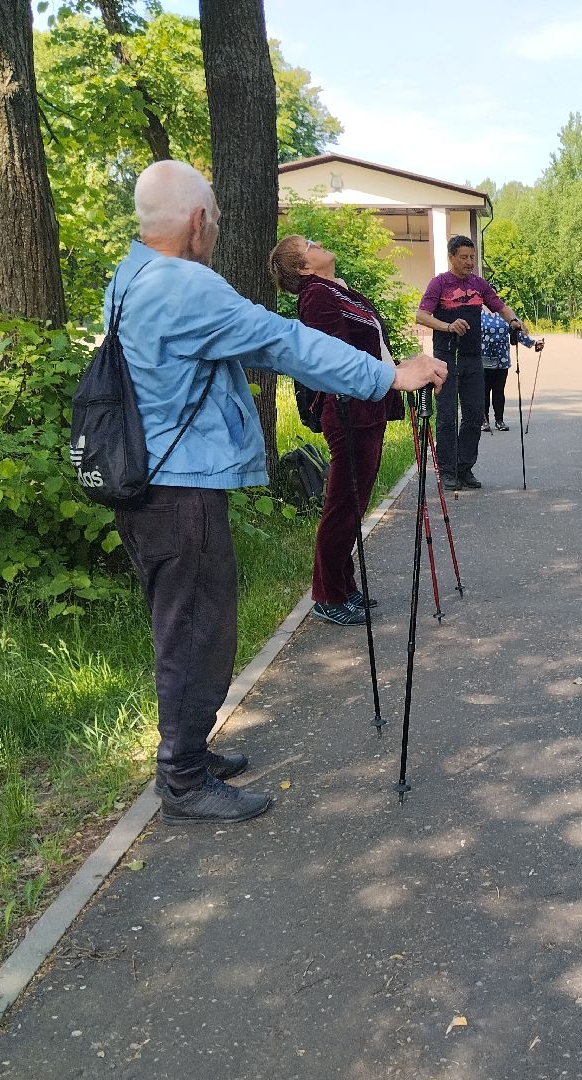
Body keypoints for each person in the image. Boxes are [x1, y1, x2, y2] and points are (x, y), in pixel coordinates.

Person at [109, 161, 445, 825]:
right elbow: (284, 340)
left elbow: (256, 340)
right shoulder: (182, 286)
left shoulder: (132, 276)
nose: (218, 229)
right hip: (178, 489)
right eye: (218, 220)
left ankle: (188, 754)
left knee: (193, 624)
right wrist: (389, 375)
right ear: (200, 222)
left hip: (158, 481)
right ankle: (181, 778)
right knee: (194, 630)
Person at [269, 234, 402, 626]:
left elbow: (374, 346)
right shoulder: (316, 296)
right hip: (349, 411)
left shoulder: (338, 291)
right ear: (304, 267)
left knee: (354, 503)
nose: (320, 242)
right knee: (344, 504)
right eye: (309, 243)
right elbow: (338, 358)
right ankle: (327, 595)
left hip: (368, 408)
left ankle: (343, 585)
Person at [414, 235, 525, 490]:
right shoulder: (439, 283)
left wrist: (514, 321)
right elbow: (421, 315)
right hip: (446, 358)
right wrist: (447, 326)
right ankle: (447, 470)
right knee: (447, 416)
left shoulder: (479, 284)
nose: (469, 262)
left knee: (475, 414)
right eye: (464, 257)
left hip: (473, 358)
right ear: (451, 257)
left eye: (472, 257)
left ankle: (465, 467)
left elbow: (500, 306)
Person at [479, 307, 543, 433]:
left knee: (499, 391)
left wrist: (534, 343)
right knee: (483, 391)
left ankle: (499, 420)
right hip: (483, 360)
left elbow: (517, 333)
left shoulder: (504, 313)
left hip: (502, 360)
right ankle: (483, 420)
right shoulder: (477, 312)